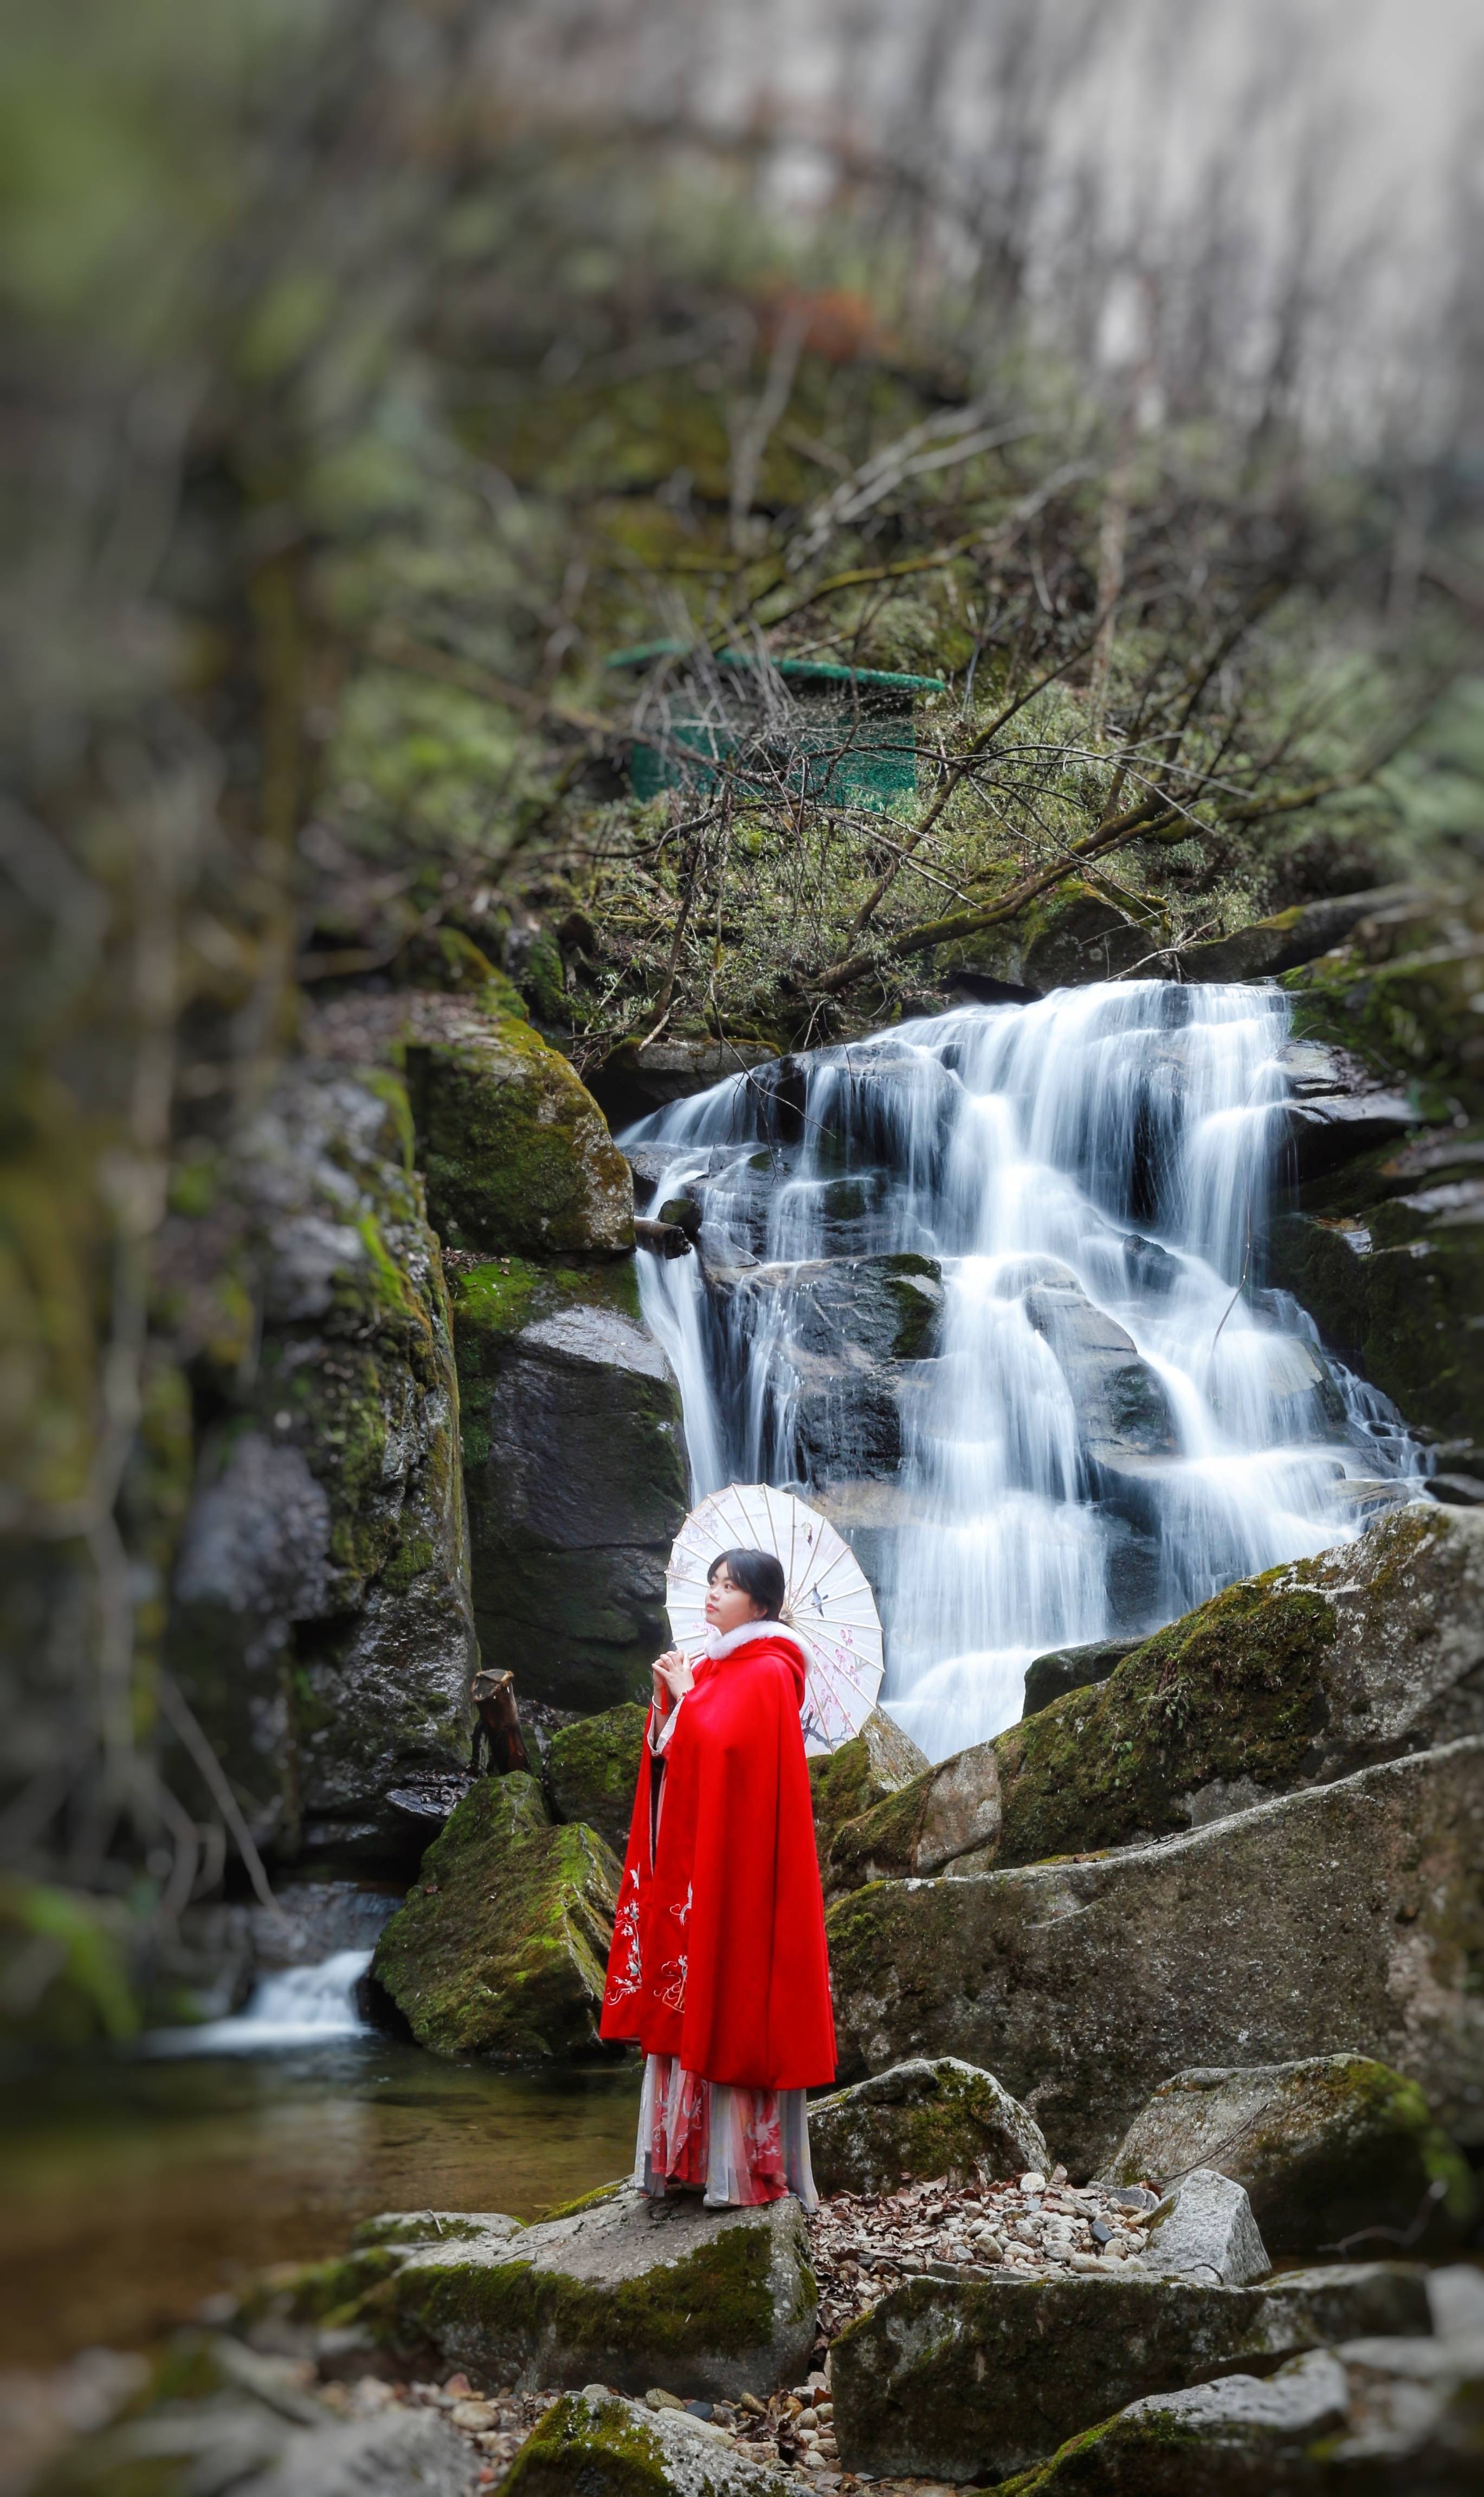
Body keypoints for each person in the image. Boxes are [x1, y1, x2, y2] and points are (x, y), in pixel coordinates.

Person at [599, 1546, 837, 2209]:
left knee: (728, 1995)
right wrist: (666, 1701)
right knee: (684, 1993)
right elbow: (674, 1758)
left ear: (759, 1605)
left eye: (728, 1586)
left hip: (738, 1876)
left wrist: (688, 1698)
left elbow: (730, 1752)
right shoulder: (711, 1665)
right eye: (710, 1582)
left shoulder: (771, 1671)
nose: (712, 1594)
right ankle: (682, 2158)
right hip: (692, 1868)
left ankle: (735, 2163)